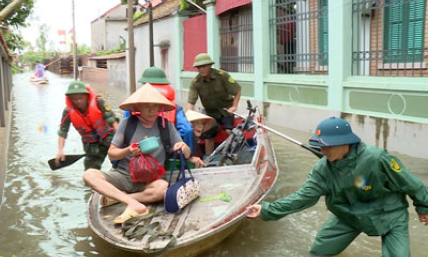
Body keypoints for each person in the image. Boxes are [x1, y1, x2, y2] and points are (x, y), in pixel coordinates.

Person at [246, 117, 428, 257]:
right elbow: (303, 197)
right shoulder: (323, 169)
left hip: (390, 215)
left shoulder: (377, 159)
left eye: (327, 146)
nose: (323, 152)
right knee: (319, 251)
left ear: (345, 142)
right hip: (348, 215)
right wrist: (266, 210)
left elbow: (412, 184)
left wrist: (423, 207)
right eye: (320, 147)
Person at [83, 83, 191, 224]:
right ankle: (131, 202)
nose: (152, 110)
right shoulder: (127, 124)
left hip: (151, 179)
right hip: (124, 175)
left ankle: (120, 198)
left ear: (160, 107)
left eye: (155, 106)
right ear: (137, 108)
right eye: (147, 106)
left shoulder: (166, 126)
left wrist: (182, 147)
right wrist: (128, 150)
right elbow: (112, 154)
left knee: (162, 189)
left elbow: (187, 154)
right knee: (89, 174)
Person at [56, 81, 119, 170]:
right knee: (90, 173)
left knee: (121, 164)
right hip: (91, 146)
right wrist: (60, 150)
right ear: (70, 99)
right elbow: (63, 132)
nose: (78, 101)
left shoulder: (98, 102)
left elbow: (113, 122)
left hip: (109, 139)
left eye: (81, 98)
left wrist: (121, 141)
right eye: (74, 99)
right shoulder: (68, 112)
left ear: (87, 96)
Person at [187, 53, 242, 155]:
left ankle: (231, 153)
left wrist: (234, 106)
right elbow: (191, 102)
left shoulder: (222, 75)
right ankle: (208, 158)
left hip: (226, 110)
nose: (201, 69)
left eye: (204, 66)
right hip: (210, 112)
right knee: (209, 134)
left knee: (228, 131)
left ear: (210, 65)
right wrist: (189, 118)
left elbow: (237, 90)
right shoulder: (195, 83)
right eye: (199, 67)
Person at [137, 66, 193, 150]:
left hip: (140, 149)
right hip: (168, 149)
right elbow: (187, 130)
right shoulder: (175, 108)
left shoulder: (133, 106)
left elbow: (123, 134)